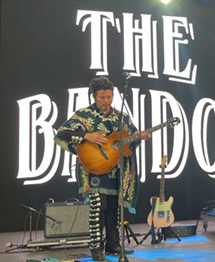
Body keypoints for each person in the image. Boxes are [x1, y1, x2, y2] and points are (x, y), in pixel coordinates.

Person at [55, 77, 150, 261]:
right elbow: (62, 133)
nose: (106, 101)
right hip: (94, 170)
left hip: (116, 170)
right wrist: (86, 135)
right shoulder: (84, 115)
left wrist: (140, 137)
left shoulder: (120, 117)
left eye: (109, 97)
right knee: (98, 208)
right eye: (102, 97)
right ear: (94, 96)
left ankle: (113, 245)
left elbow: (129, 143)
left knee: (114, 209)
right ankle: (96, 250)